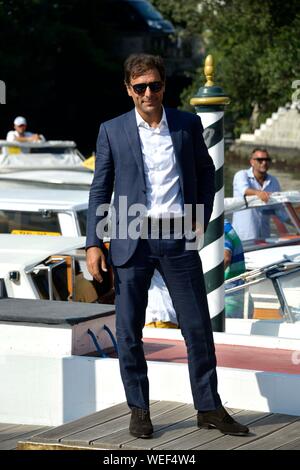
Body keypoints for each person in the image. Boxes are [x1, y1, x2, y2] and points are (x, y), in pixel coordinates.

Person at [86, 53, 248, 438]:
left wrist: (199, 216)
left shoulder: (186, 124)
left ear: (163, 87)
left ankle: (209, 408)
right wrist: (94, 242)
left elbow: (207, 173)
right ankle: (139, 410)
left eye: (154, 85)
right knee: (128, 330)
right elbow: (100, 189)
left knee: (196, 328)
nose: (148, 93)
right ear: (128, 90)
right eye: (139, 87)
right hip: (130, 238)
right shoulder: (112, 130)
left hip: (178, 237)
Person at [232, 148, 281, 240]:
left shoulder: (274, 181)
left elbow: (279, 209)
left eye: (267, 160)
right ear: (252, 162)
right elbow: (245, 190)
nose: (264, 162)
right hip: (243, 237)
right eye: (260, 160)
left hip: (265, 237)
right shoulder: (241, 175)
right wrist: (259, 194)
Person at [224, 219, 253, 319]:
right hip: (238, 299)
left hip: (226, 302)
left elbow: (225, 258)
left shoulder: (217, 229)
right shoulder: (226, 226)